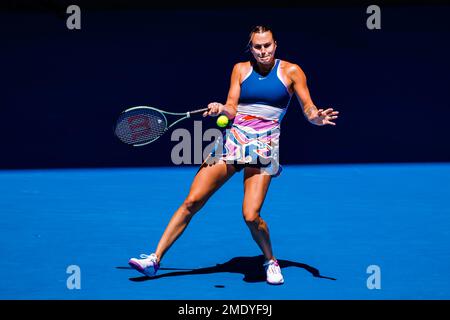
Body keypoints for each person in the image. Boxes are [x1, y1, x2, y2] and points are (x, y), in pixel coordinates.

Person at [128, 25, 339, 285]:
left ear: (275, 45)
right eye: (257, 46)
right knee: (192, 201)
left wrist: (317, 118)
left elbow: (309, 110)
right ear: (250, 48)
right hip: (233, 143)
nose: (263, 51)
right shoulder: (240, 69)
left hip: (264, 148)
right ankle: (154, 260)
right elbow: (231, 109)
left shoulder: (292, 72)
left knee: (251, 215)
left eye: (267, 45)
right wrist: (220, 109)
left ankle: (270, 260)